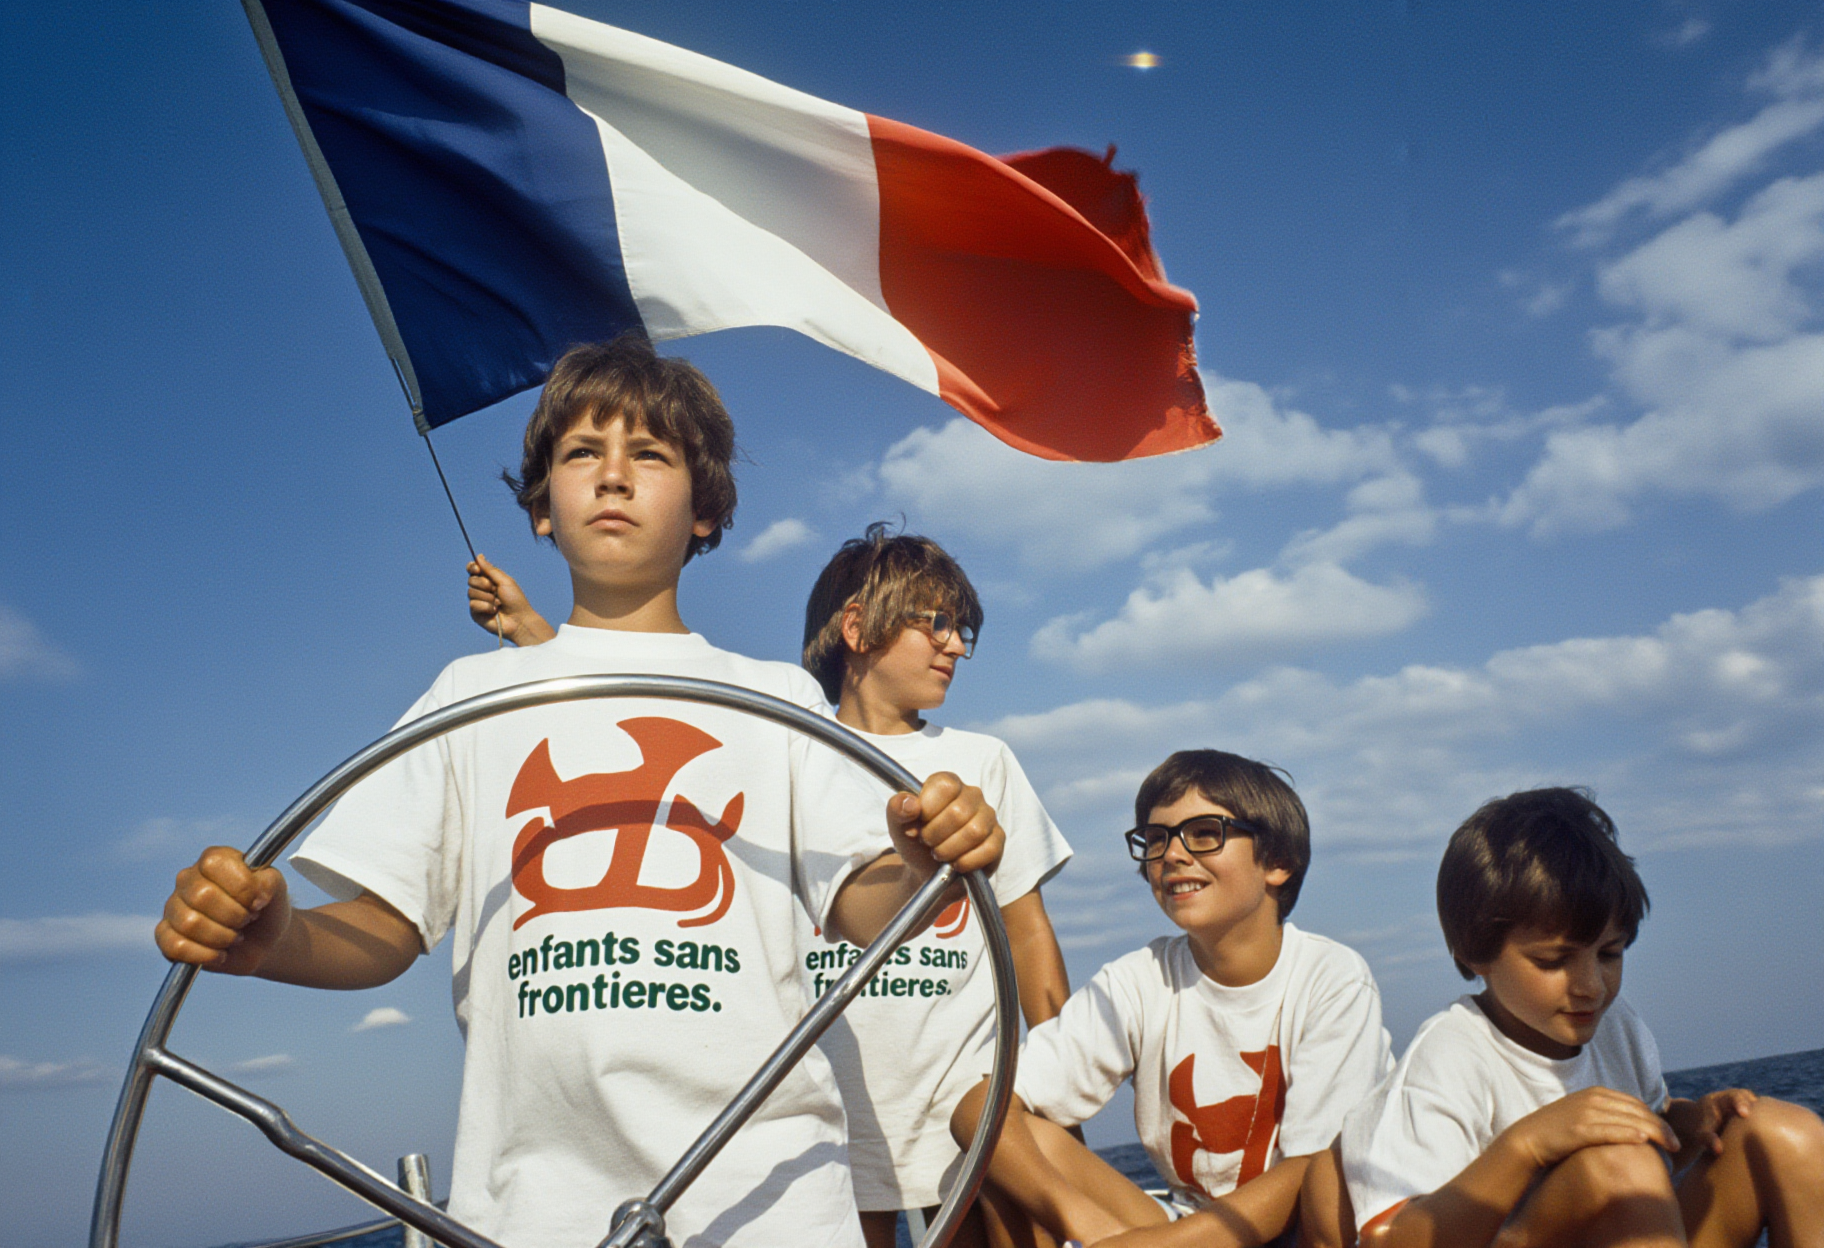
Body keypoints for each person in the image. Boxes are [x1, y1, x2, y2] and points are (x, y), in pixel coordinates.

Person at [153, 333, 1007, 1248]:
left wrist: (921, 862)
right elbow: (386, 927)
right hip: (532, 1211)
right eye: (581, 453)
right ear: (540, 510)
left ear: (706, 510)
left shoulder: (780, 700)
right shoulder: (467, 698)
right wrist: (277, 937)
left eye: (651, 455)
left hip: (774, 1200)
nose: (613, 476)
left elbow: (867, 907)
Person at [1322, 787, 1824, 1248]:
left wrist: (1692, 1125)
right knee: (1617, 1168)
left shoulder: (1616, 1026)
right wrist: (1527, 1145)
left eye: (1610, 954)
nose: (1591, 986)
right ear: (1476, 954)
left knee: (1783, 1134)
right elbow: (1393, 1239)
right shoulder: (1449, 1058)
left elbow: (1654, 1130)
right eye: (1553, 961)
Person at [952, 750, 1393, 1248]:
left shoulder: (1332, 978)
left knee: (1325, 1177)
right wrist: (1095, 1232)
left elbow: (1309, 1171)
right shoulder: (1138, 982)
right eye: (1157, 839)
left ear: (1278, 862)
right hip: (1181, 1225)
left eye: (1204, 834)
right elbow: (976, 1110)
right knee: (1009, 1147)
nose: (1173, 855)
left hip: (1310, 1230)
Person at [799, 524, 1074, 1248]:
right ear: (857, 627)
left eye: (961, 631)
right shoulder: (791, 756)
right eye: (938, 624)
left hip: (965, 1105)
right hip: (826, 1111)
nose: (955, 647)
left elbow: (1027, 932)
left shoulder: (985, 760)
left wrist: (1062, 1087)